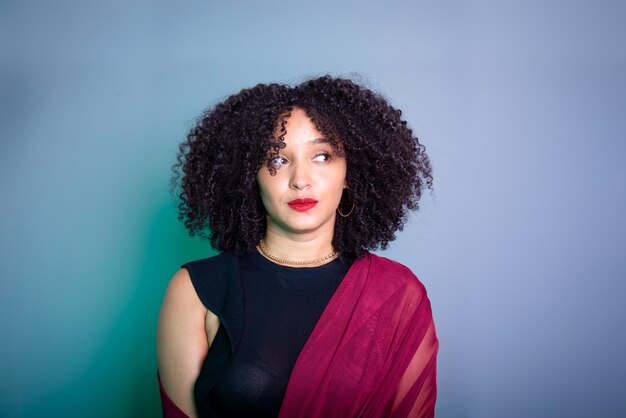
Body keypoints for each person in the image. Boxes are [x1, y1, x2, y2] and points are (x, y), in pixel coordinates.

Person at [157, 76, 438, 418]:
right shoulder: (195, 291)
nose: (300, 179)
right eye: (277, 160)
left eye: (322, 156)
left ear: (351, 172)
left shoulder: (397, 295)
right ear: (250, 174)